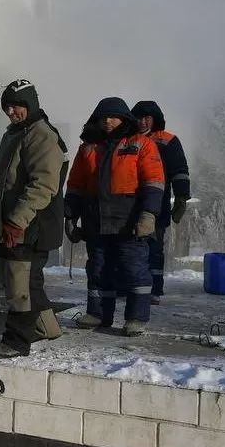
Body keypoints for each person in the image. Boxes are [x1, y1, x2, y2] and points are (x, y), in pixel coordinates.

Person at [0, 79, 68, 358]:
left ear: (30, 105)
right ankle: (47, 328)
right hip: (10, 225)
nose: (11, 112)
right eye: (7, 107)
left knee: (20, 284)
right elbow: (0, 182)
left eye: (17, 106)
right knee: (14, 278)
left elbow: (43, 185)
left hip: (31, 225)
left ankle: (16, 341)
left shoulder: (42, 135)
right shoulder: (15, 133)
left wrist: (17, 221)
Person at [65, 98, 166, 336]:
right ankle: (98, 314)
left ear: (124, 119)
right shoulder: (88, 148)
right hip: (96, 221)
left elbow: (153, 182)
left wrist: (148, 214)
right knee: (98, 269)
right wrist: (70, 217)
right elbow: (76, 186)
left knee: (134, 270)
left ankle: (136, 318)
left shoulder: (141, 144)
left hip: (129, 223)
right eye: (103, 117)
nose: (107, 122)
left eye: (113, 117)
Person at [131, 100, 191, 303]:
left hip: (157, 205)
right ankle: (130, 286)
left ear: (155, 120)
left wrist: (181, 198)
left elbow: (180, 171)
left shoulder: (167, 140)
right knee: (129, 248)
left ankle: (154, 289)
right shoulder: (128, 140)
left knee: (154, 248)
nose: (143, 122)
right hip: (128, 204)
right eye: (139, 118)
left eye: (147, 118)